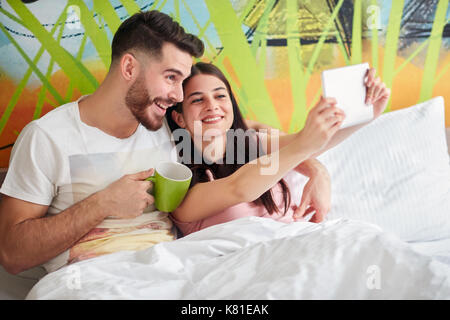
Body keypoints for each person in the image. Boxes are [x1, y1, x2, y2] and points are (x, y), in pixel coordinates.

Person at [0, 10, 205, 274]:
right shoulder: (47, 137)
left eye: (182, 81)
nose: (178, 95)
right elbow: (12, 254)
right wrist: (103, 203)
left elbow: (231, 132)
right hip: (94, 281)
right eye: (170, 77)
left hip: (173, 273)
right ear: (129, 67)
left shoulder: (168, 123)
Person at [166, 62, 391, 237]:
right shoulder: (183, 190)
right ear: (179, 118)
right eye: (197, 100)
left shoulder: (253, 143)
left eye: (220, 95)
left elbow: (312, 145)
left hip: (303, 242)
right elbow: (239, 188)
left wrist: (366, 114)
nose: (212, 105)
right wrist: (304, 144)